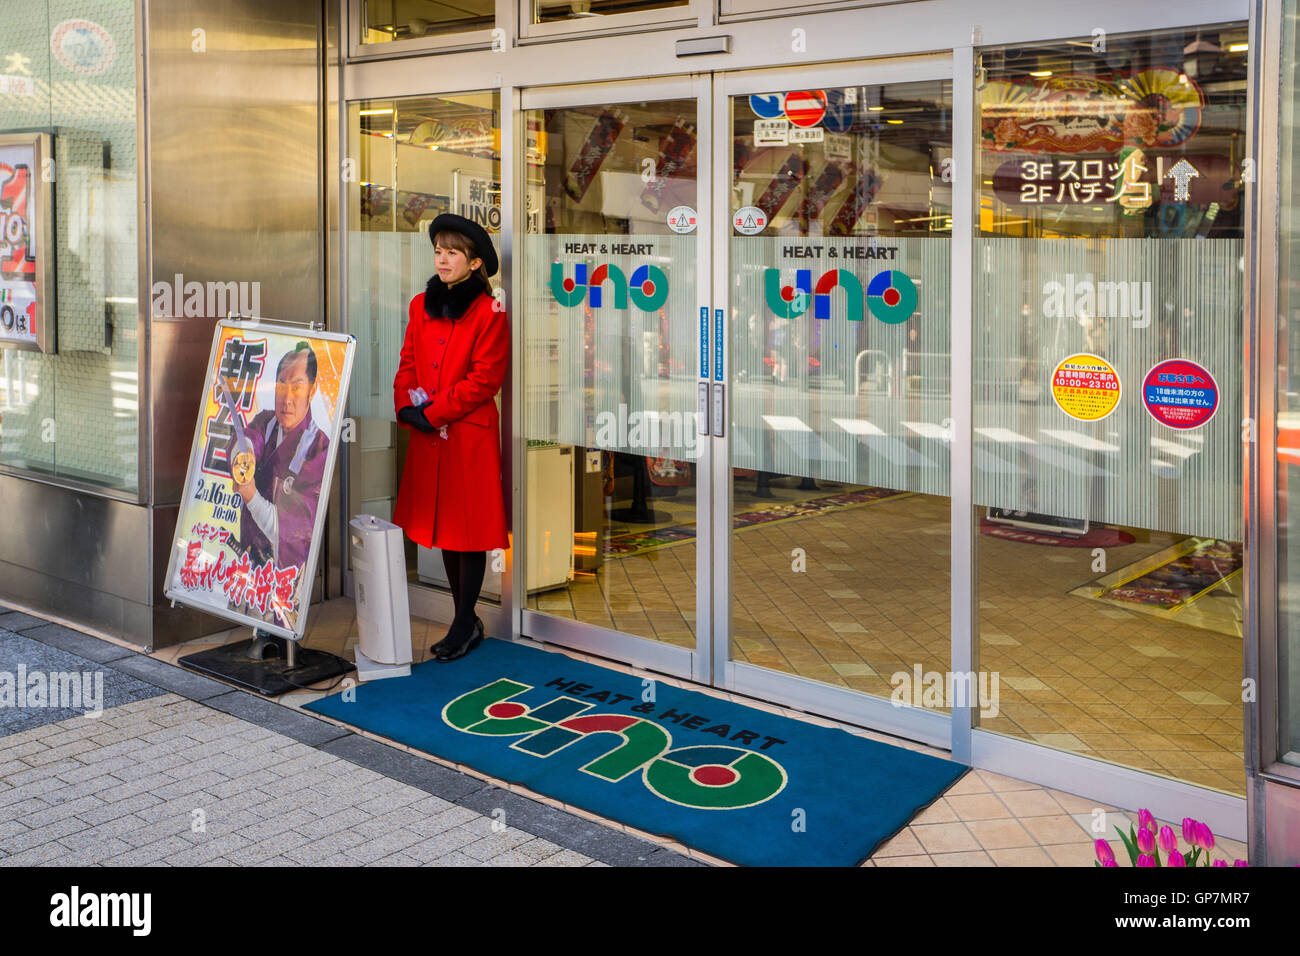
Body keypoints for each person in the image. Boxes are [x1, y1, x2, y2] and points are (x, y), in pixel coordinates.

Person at [392, 213, 509, 662]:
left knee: (469, 531)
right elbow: (408, 362)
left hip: (468, 436)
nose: (442, 260)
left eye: (452, 253)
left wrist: (435, 412)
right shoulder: (420, 305)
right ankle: (465, 620)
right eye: (438, 252)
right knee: (441, 528)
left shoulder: (490, 310)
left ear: (475, 263)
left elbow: (485, 380)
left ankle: (464, 622)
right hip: (428, 434)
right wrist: (407, 406)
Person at [231, 340, 331, 627]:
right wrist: (243, 452)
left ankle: (279, 642)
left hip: (285, 578)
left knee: (282, 626)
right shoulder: (266, 421)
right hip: (250, 565)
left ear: (311, 391)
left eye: (297, 387)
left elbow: (287, 531)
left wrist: (249, 494)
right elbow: (247, 439)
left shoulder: (318, 449)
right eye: (281, 385)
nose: (287, 397)